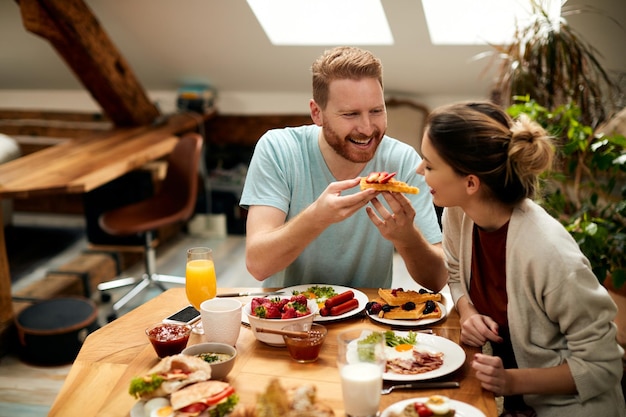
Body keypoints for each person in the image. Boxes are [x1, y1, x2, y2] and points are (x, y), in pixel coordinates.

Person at [416, 101, 625, 416]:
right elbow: (455, 274)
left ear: (471, 183)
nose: (420, 171)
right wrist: (468, 310)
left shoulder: (550, 253)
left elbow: (605, 365)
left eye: (429, 165)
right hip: (504, 402)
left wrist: (511, 382)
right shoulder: (458, 214)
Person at [239, 46, 445, 290]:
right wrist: (317, 217)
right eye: (350, 114)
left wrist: (408, 238)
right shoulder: (278, 149)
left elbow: (437, 280)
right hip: (291, 318)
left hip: (370, 322)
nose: (367, 128)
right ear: (317, 113)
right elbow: (258, 265)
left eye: (377, 111)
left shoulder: (402, 160)